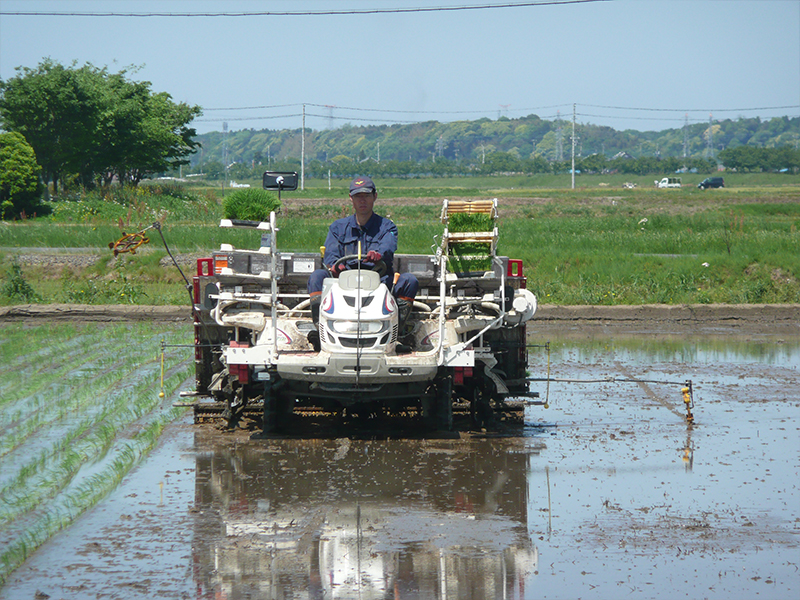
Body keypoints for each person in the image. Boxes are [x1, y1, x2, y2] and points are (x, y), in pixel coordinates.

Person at [307, 176, 418, 350]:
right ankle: (321, 333)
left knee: (410, 281)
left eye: (366, 195)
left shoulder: (387, 227)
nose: (362, 200)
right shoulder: (337, 228)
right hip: (343, 282)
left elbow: (388, 247)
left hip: (378, 282)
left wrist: (379, 255)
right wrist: (336, 266)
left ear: (375, 196)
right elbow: (331, 254)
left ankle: (397, 334)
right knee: (317, 276)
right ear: (351, 199)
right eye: (358, 196)